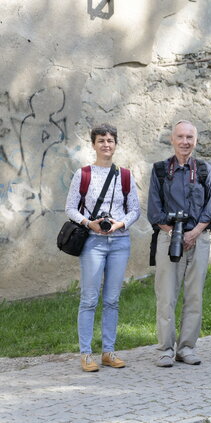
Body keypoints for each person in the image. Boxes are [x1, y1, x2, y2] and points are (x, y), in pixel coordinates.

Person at [65, 123, 140, 372]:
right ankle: (86, 354)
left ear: (115, 144)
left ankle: (108, 352)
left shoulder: (126, 175)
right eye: (101, 140)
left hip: (120, 242)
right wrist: (90, 223)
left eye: (110, 140)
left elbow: (135, 211)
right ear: (93, 144)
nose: (106, 145)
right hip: (93, 243)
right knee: (89, 299)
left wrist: (119, 223)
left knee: (112, 300)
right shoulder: (83, 174)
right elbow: (70, 208)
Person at [147, 120, 211, 367]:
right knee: (166, 296)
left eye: (190, 137)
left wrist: (193, 233)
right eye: (180, 137)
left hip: (198, 240)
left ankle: (187, 348)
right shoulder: (159, 171)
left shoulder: (205, 170)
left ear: (195, 141)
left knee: (194, 296)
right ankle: (166, 349)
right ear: (172, 139)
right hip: (168, 239)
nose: (185, 142)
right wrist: (173, 233)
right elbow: (154, 211)